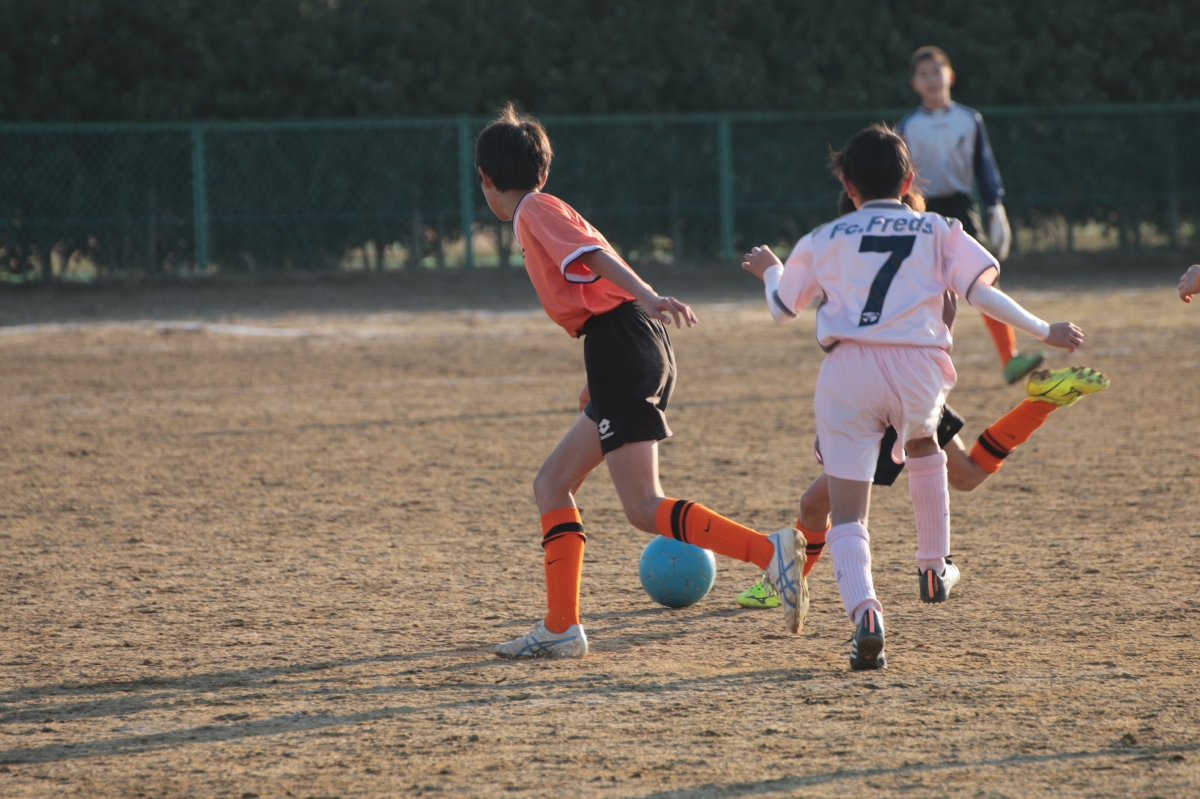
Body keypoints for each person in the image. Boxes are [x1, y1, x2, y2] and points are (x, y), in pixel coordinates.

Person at [742, 124, 1084, 670]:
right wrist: (1045, 330)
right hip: (917, 363)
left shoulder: (823, 238)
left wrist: (772, 271)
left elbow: (783, 309)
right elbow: (981, 292)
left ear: (848, 186)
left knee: (847, 512)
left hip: (848, 369)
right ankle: (932, 565)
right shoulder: (939, 228)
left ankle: (865, 616)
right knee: (925, 444)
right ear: (907, 182)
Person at [475, 105, 804, 659]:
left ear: (484, 177)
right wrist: (599, 379)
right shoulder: (541, 207)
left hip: (624, 341)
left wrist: (648, 296)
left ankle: (769, 554)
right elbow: (593, 290)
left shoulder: (533, 209)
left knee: (642, 505)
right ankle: (561, 628)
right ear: (543, 170)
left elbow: (596, 257)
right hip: (618, 347)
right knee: (552, 483)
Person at [736, 369, 1109, 610]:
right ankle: (1041, 403)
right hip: (916, 382)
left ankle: (782, 585)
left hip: (878, 403)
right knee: (966, 474)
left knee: (815, 505)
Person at [898, 46, 1043, 385]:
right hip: (921, 211)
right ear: (914, 84)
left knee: (985, 281)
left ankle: (1010, 359)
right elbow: (899, 176)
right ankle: (913, 363)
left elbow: (984, 167)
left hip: (962, 209)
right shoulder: (908, 126)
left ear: (950, 76)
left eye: (936, 71)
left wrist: (995, 207)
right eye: (923, 74)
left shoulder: (969, 119)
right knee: (920, 288)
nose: (931, 79)